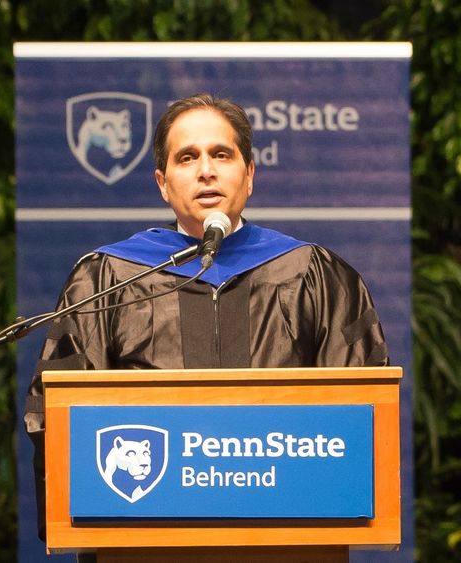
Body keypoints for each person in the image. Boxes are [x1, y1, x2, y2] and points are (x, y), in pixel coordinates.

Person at [24, 93, 389, 544]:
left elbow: (361, 409)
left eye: (221, 154)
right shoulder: (107, 279)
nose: (206, 171)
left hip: (287, 534)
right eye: (187, 158)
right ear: (162, 182)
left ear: (249, 174)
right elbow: (56, 419)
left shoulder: (315, 274)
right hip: (143, 534)